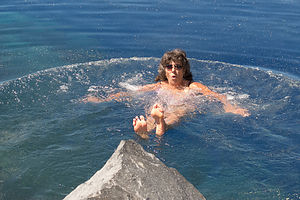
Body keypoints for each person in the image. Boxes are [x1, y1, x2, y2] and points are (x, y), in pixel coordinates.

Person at [84, 49, 250, 139]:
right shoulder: (158, 86)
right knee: (153, 115)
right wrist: (103, 99)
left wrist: (231, 108)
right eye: (170, 67)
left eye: (178, 67)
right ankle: (146, 131)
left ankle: (160, 124)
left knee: (177, 114)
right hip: (161, 106)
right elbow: (130, 93)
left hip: (180, 106)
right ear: (164, 70)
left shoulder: (193, 86)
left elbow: (218, 96)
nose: (173, 71)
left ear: (184, 70)